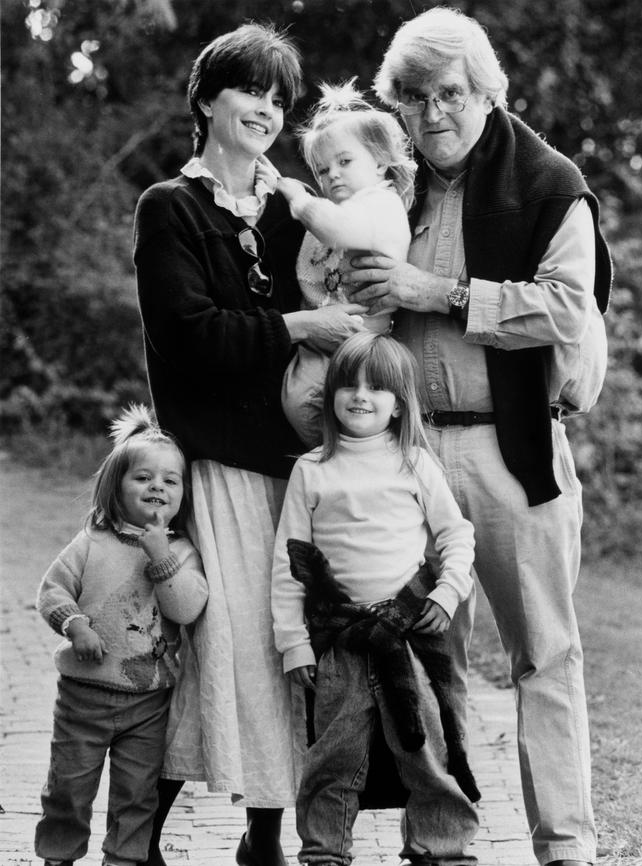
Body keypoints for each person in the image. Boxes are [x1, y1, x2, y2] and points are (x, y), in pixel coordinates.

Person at [343, 8, 612, 866]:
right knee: (425, 651)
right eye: (413, 97)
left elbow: (571, 307)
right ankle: (441, 840)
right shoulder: (392, 185)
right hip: (409, 455)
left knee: (544, 654)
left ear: (487, 94)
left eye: (449, 94)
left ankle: (566, 845)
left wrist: (447, 293)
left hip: (512, 446)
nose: (431, 114)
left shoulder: (548, 180)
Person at [133, 22, 366, 866]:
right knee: (214, 651)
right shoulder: (170, 207)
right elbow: (188, 334)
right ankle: (139, 838)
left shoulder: (290, 207)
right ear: (205, 100)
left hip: (301, 464)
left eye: (278, 97)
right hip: (217, 462)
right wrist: (300, 323)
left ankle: (264, 837)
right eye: (249, 90)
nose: (266, 108)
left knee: (290, 649)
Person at [271, 332, 479, 866]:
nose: (361, 396)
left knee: (426, 748)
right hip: (338, 639)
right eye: (349, 385)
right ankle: (324, 850)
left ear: (398, 403)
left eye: (377, 388)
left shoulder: (414, 464)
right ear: (332, 393)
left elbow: (456, 535)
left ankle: (441, 846)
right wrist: (294, 644)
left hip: (406, 636)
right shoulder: (312, 468)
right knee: (333, 755)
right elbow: (289, 563)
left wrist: (449, 590)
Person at [34, 404, 208, 866]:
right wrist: (75, 624)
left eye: (170, 481)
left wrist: (161, 557)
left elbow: (187, 608)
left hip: (147, 702)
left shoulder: (183, 552)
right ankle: (58, 854)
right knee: (69, 786)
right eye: (143, 478)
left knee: (137, 795)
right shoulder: (93, 540)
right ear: (116, 486)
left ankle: (124, 859)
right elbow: (52, 589)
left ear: (183, 495)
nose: (157, 487)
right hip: (82, 698)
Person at [275, 80, 416, 447]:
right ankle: (335, 459)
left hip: (360, 342)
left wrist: (298, 199)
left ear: (382, 163)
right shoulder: (340, 208)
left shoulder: (380, 204)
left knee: (329, 409)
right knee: (298, 401)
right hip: (322, 338)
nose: (332, 174)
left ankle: (348, 460)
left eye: (345, 161)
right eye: (321, 170)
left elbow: (338, 231)